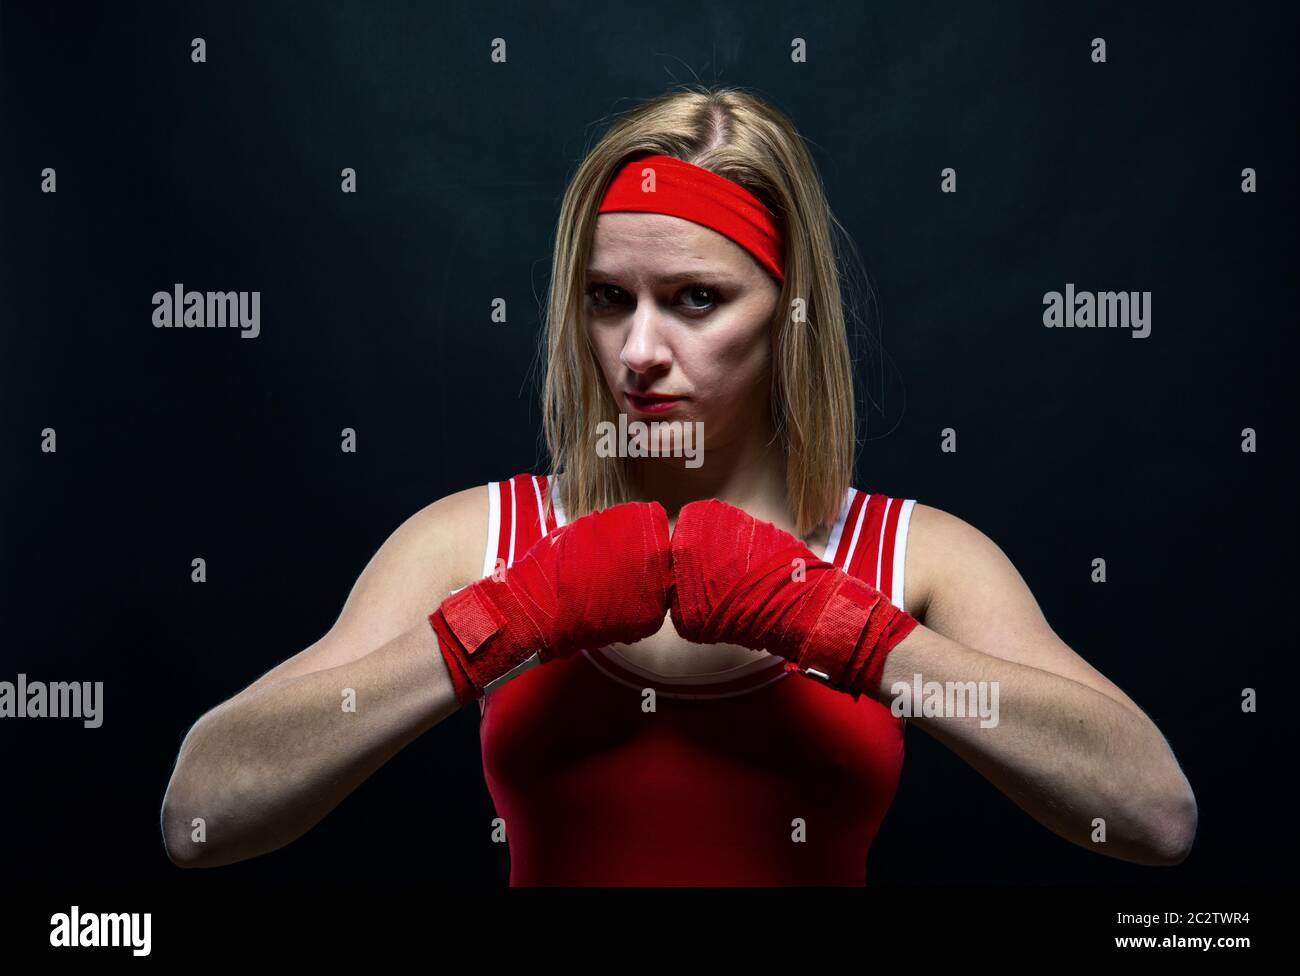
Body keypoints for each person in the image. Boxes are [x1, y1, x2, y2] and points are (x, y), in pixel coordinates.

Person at [161, 85, 1197, 884]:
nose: (639, 351)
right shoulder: (479, 543)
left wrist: (842, 626)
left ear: (789, 313)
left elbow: (1156, 816)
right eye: (609, 297)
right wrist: (503, 619)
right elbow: (199, 814)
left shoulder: (909, 559)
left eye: (696, 298)